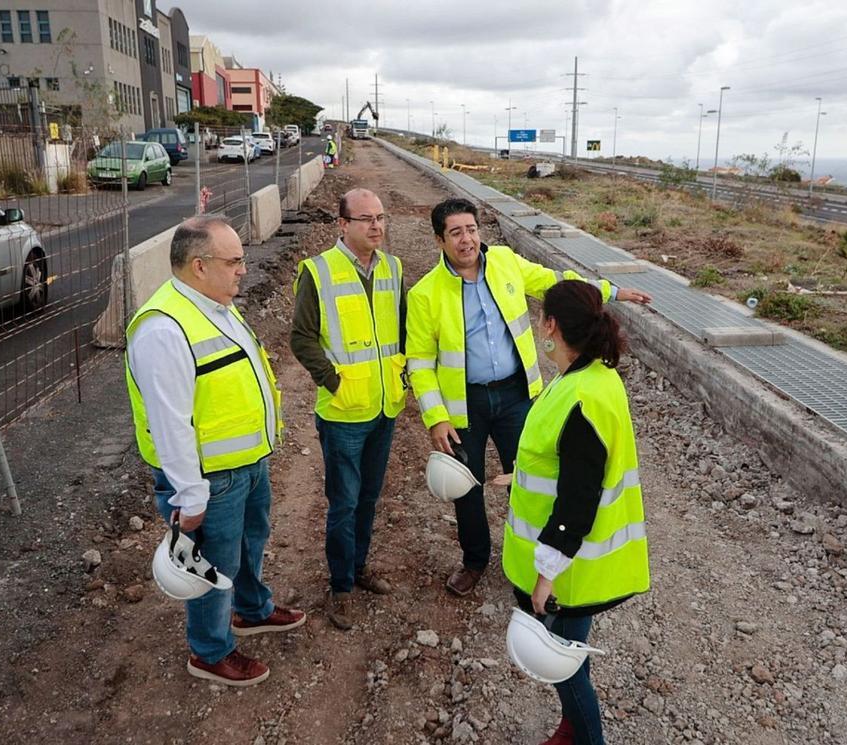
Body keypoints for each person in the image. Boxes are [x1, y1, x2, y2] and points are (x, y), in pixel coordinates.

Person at [405, 197, 651, 596]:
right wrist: (436, 416)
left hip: (516, 395)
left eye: (471, 229)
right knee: (467, 486)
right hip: (464, 404)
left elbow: (558, 284)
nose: (467, 240)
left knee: (531, 477)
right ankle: (474, 561)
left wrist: (612, 291)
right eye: (456, 233)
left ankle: (541, 563)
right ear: (440, 240)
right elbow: (418, 362)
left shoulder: (505, 262)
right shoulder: (424, 294)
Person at [126, 215, 305, 687]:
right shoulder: (164, 329)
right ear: (200, 266)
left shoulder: (215, 306)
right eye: (234, 261)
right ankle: (210, 651)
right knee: (214, 566)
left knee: (250, 543)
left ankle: (252, 609)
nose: (244, 269)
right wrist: (190, 495)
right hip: (210, 479)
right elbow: (170, 424)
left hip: (246, 464)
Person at [503, 280, 651, 745]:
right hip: (575, 564)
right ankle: (571, 729)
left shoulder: (582, 397)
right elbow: (565, 463)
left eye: (540, 317)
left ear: (550, 326)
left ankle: (587, 738)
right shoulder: (590, 376)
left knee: (565, 669)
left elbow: (577, 500)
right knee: (570, 656)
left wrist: (546, 575)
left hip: (569, 570)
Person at [291, 189, 406, 631]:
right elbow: (301, 338)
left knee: (369, 497)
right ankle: (340, 587)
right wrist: (333, 380)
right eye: (366, 219)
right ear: (343, 224)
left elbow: (402, 328)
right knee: (344, 503)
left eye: (381, 218)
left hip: (383, 406)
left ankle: (358, 568)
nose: (376, 226)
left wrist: (402, 373)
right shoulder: (318, 271)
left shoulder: (393, 268)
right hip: (342, 413)